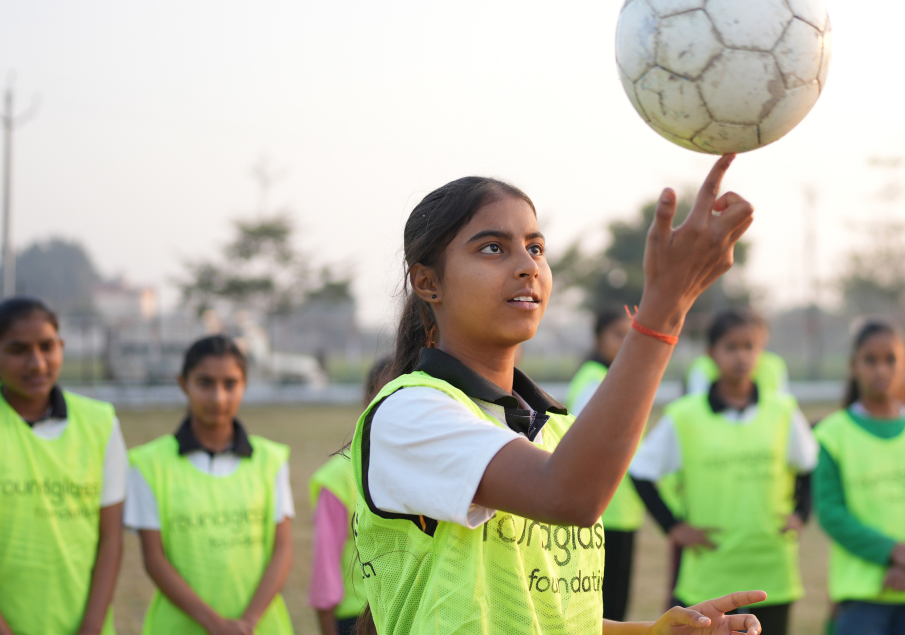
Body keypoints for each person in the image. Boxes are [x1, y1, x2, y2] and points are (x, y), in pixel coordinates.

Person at [350, 157, 767, 635]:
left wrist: (652, 633)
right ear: (427, 282)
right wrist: (666, 309)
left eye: (536, 248)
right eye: (492, 248)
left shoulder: (553, 430)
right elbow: (568, 496)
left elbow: (554, 617)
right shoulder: (409, 413)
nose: (528, 266)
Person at [628, 307, 817, 635]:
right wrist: (673, 526)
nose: (741, 356)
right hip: (709, 571)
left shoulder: (782, 410)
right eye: (731, 347)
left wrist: (801, 513)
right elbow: (640, 471)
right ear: (711, 354)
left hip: (771, 567)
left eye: (749, 347)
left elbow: (810, 466)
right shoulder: (684, 416)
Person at [125, 335, 295, 634]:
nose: (218, 397)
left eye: (230, 384)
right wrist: (216, 625)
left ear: (245, 384)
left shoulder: (272, 460)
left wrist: (248, 622)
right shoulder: (148, 464)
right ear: (183, 383)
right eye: (205, 383)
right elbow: (154, 559)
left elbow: (282, 551)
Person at [813, 319, 905, 635]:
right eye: (870, 360)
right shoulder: (832, 434)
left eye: (891, 359)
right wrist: (893, 552)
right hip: (862, 593)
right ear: (854, 365)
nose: (881, 370)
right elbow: (831, 514)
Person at [0, 296, 127, 635]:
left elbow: (110, 538)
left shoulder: (101, 424)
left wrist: (92, 627)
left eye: (47, 347)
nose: (37, 363)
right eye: (17, 350)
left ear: (62, 346)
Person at [564, 307, 646, 621]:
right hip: (602, 510)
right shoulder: (594, 379)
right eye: (618, 335)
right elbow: (589, 440)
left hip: (621, 506)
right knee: (603, 611)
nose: (626, 343)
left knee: (617, 606)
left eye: (631, 336)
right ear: (599, 338)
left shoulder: (613, 377)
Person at [309, 355, 393, 635]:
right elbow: (325, 566)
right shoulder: (338, 476)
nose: (400, 406)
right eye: (388, 393)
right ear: (367, 398)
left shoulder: (435, 471)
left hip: (416, 612)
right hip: (357, 618)